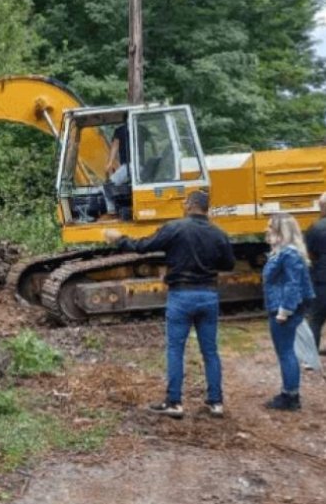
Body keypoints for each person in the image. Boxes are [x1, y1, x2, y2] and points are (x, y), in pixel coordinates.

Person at [104, 190, 235, 419]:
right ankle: (216, 402)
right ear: (206, 208)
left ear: (189, 205)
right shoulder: (219, 234)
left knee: (176, 350)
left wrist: (119, 239)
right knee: (210, 351)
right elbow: (229, 264)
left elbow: (144, 245)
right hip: (208, 295)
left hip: (181, 295)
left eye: (184, 202)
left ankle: (174, 402)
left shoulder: (175, 228)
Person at [262, 213, 316, 411]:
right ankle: (289, 392)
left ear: (281, 230)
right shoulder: (284, 252)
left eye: (270, 226)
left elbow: (293, 284)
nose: (266, 230)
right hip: (280, 306)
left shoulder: (288, 254)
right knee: (285, 352)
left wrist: (285, 311)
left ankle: (290, 396)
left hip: (282, 309)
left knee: (286, 353)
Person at [304, 193, 326, 353]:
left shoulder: (315, 228)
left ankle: (311, 354)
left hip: (321, 280)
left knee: (316, 319)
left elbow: (308, 254)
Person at [103, 123, 130, 214]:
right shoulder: (139, 126)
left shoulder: (120, 130)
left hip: (128, 166)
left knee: (108, 186)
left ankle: (111, 210)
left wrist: (110, 163)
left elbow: (115, 146)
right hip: (139, 167)